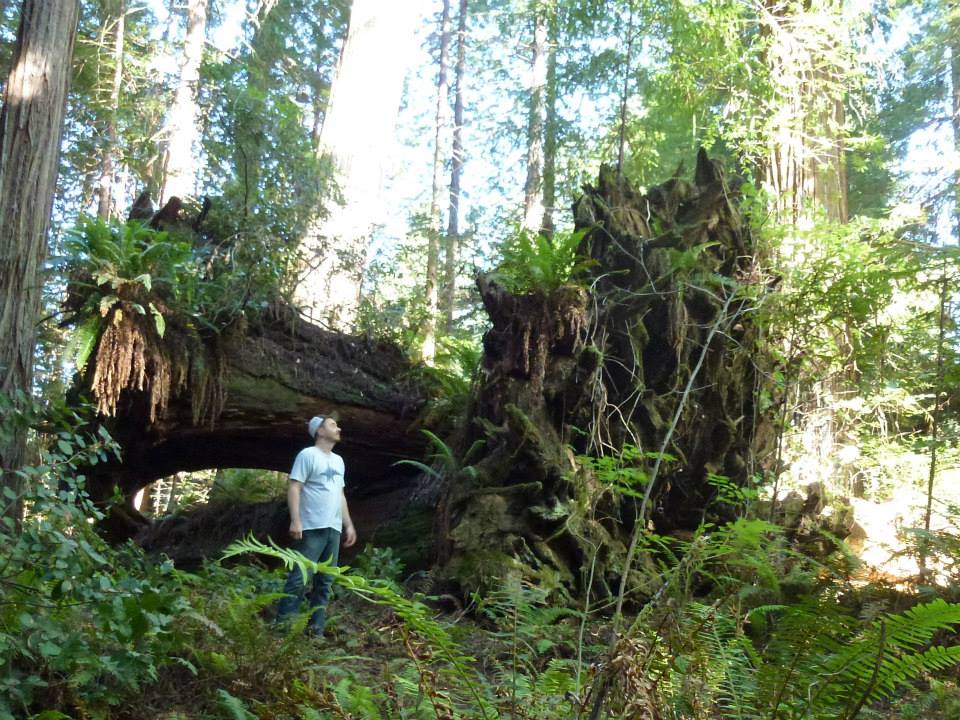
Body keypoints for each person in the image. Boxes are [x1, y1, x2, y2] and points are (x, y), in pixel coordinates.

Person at [276, 414, 357, 637]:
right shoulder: (307, 455)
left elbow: (340, 494)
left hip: (333, 527)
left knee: (325, 582)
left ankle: (316, 631)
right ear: (319, 431)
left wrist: (348, 524)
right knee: (300, 577)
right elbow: (294, 487)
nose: (338, 428)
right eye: (333, 425)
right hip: (312, 525)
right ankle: (283, 628)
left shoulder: (338, 461)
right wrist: (296, 520)